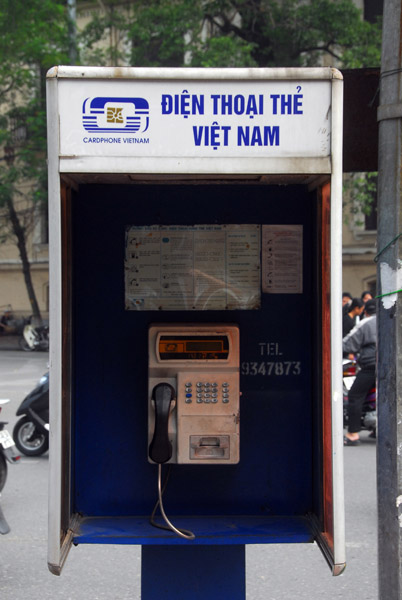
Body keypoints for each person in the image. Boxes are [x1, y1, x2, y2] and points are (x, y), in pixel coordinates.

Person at [343, 299, 376, 445]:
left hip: (371, 366)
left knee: (355, 395)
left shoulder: (366, 323)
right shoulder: (393, 319)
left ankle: (352, 434)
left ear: (365, 311)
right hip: (395, 366)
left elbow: (348, 343)